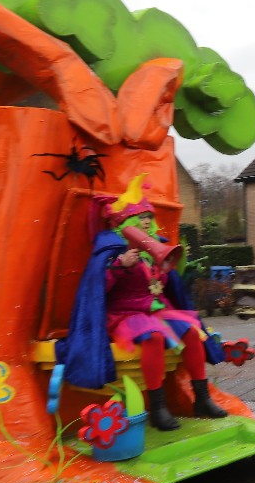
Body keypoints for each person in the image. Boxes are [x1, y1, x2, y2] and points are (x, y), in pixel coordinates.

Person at [62, 175, 231, 431]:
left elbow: (168, 286)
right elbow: (96, 289)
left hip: (156, 310)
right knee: (154, 338)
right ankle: (158, 407)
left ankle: (202, 399)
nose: (147, 222)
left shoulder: (155, 249)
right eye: (141, 218)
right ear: (127, 222)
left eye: (149, 217)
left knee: (191, 332)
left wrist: (171, 270)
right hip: (126, 314)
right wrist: (119, 266)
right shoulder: (111, 250)